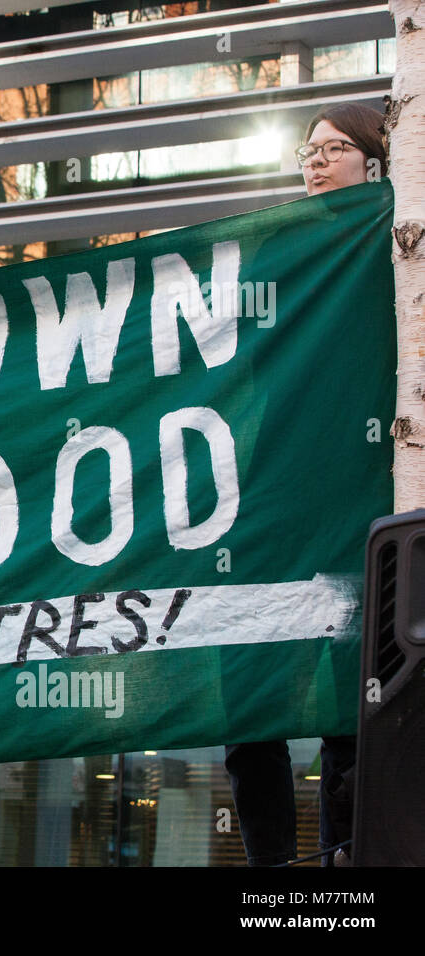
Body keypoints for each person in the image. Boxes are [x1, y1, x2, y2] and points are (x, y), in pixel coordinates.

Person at [223, 102, 386, 867]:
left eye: (335, 148)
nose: (315, 160)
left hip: (359, 499)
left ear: (375, 164)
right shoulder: (276, 252)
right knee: (253, 697)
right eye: (308, 149)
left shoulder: (400, 247)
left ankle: (343, 864)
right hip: (272, 496)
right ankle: (271, 871)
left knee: (350, 704)